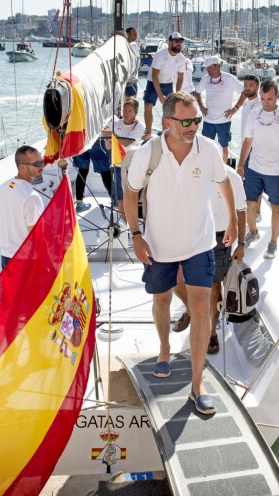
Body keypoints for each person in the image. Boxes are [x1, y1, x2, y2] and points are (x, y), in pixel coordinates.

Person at [124, 92, 237, 415]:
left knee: (201, 308)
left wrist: (232, 222)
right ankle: (163, 349)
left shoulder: (209, 149)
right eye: (186, 121)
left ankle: (197, 383)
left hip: (200, 243)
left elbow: (224, 182)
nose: (193, 127)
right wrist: (135, 235)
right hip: (158, 245)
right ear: (168, 122)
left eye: (197, 120)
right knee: (161, 301)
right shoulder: (149, 153)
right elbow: (131, 194)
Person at [172, 166, 247, 354]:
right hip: (192, 234)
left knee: (213, 289)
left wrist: (241, 244)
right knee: (174, 277)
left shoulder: (234, 178)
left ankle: (211, 333)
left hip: (221, 238)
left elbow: (241, 211)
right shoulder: (190, 173)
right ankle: (190, 309)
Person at [237, 79, 279, 260]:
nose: (265, 102)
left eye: (269, 99)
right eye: (262, 99)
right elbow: (247, 141)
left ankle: (273, 243)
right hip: (254, 168)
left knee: (276, 208)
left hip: (277, 172)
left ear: (277, 96)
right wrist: (240, 165)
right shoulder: (254, 115)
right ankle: (253, 232)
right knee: (249, 204)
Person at [0, 146, 45, 268]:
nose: (42, 167)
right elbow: (37, 237)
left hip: (6, 257)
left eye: (42, 162)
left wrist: (14, 233)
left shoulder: (5, 186)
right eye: (37, 164)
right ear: (22, 167)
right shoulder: (32, 197)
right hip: (27, 260)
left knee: (11, 288)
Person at [195, 55, 245, 162]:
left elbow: (244, 92)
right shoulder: (205, 79)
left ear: (216, 66)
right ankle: (208, 167)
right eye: (206, 67)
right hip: (208, 120)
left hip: (224, 121)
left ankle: (224, 169)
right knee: (207, 146)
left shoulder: (229, 78)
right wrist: (201, 107)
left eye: (209, 67)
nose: (207, 69)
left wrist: (235, 108)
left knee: (224, 147)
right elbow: (197, 92)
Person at [101, 98, 145, 213]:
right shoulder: (115, 124)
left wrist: (111, 135)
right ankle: (124, 224)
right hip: (118, 164)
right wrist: (106, 137)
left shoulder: (140, 126)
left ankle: (133, 224)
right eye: (124, 110)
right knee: (121, 199)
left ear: (135, 112)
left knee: (133, 197)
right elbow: (108, 147)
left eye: (130, 111)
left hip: (133, 165)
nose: (126, 113)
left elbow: (127, 142)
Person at [142, 32, 186, 140]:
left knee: (168, 110)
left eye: (180, 41)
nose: (178, 44)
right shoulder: (160, 55)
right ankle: (148, 132)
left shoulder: (181, 58)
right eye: (176, 41)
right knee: (148, 106)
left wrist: (177, 94)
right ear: (169, 42)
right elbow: (154, 75)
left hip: (167, 82)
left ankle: (163, 134)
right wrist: (160, 95)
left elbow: (180, 78)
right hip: (153, 81)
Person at [240, 74, 263, 223]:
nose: (247, 88)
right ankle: (254, 211)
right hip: (246, 149)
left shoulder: (260, 105)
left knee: (255, 183)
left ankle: (257, 212)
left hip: (255, 150)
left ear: (258, 87)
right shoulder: (247, 102)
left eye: (251, 86)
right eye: (246, 85)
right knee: (249, 182)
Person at [71, 139, 113, 212]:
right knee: (104, 171)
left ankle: (79, 204)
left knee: (82, 171)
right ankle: (114, 200)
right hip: (95, 139)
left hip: (80, 140)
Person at [125, 27, 140, 97]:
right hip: (126, 81)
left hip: (133, 79)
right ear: (127, 34)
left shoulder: (134, 45)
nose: (136, 37)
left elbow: (137, 59)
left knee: (132, 100)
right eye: (134, 34)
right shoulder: (123, 46)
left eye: (136, 35)